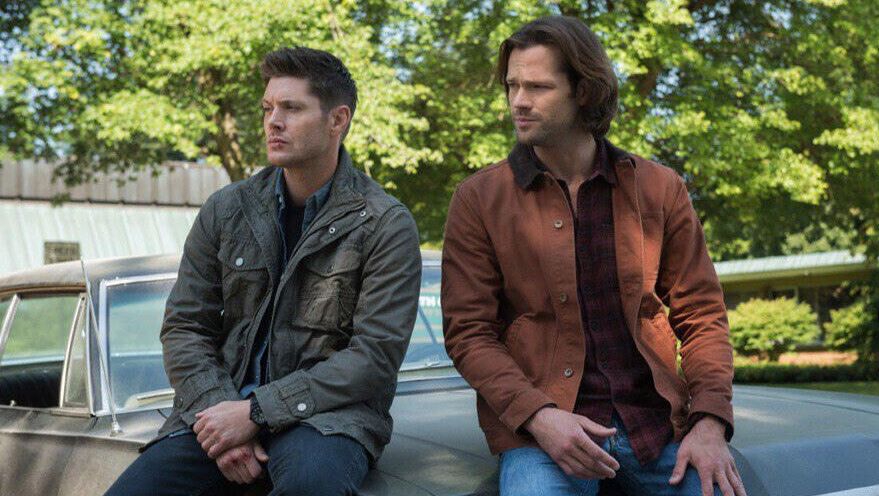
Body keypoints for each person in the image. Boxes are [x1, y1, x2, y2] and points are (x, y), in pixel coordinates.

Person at [441, 16, 745, 496]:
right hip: (544, 437)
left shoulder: (659, 188)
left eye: (538, 87)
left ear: (584, 91)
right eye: (512, 85)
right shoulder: (478, 199)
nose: (518, 101)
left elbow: (702, 315)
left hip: (655, 428)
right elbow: (469, 334)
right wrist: (539, 417)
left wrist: (710, 421)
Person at [106, 46, 422, 496]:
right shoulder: (226, 209)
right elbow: (185, 328)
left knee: (311, 487)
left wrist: (256, 412)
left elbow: (374, 357)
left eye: (291, 108)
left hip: (327, 420)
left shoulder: (383, 222)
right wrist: (223, 418)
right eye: (268, 108)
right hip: (219, 405)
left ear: (338, 120)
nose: (273, 121)